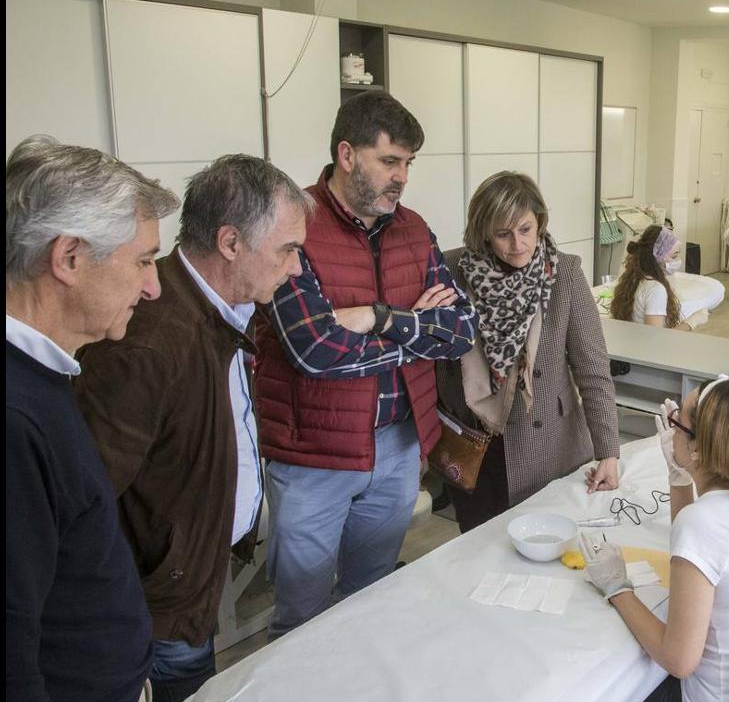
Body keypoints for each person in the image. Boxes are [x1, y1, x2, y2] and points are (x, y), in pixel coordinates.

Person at [72, 156, 313, 702]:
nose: (297, 269)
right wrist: (163, 574)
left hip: (186, 585)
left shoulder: (217, 308)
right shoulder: (152, 341)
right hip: (160, 606)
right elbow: (82, 504)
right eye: (287, 250)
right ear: (231, 243)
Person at [254, 91, 479, 637]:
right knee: (301, 618)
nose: (402, 177)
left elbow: (460, 332)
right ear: (347, 154)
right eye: (389, 161)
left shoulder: (414, 228)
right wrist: (413, 326)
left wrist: (376, 317)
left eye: (408, 164)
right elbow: (318, 352)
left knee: (370, 598)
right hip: (315, 454)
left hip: (400, 446)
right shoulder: (293, 226)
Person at [6, 136, 179, 702]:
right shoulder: (13, 418)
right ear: (70, 258)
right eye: (143, 260)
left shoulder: (41, 373)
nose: (153, 287)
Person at [583, 377, 729, 702]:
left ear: (698, 448)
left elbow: (678, 661)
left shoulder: (705, 524)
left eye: (677, 423)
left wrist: (617, 588)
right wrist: (679, 478)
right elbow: (693, 547)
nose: (671, 429)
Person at [437, 172, 620, 532]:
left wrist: (609, 452)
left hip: (547, 442)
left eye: (525, 229)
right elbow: (435, 360)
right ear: (484, 232)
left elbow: (593, 368)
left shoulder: (564, 273)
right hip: (475, 443)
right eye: (503, 234)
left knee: (546, 546)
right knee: (479, 547)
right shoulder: (452, 270)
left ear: (539, 222)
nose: (518, 244)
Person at [610, 224, 700, 330]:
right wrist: (692, 322)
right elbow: (656, 338)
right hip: (644, 345)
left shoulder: (633, 278)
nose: (678, 261)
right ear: (657, 257)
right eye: (674, 256)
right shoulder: (655, 289)